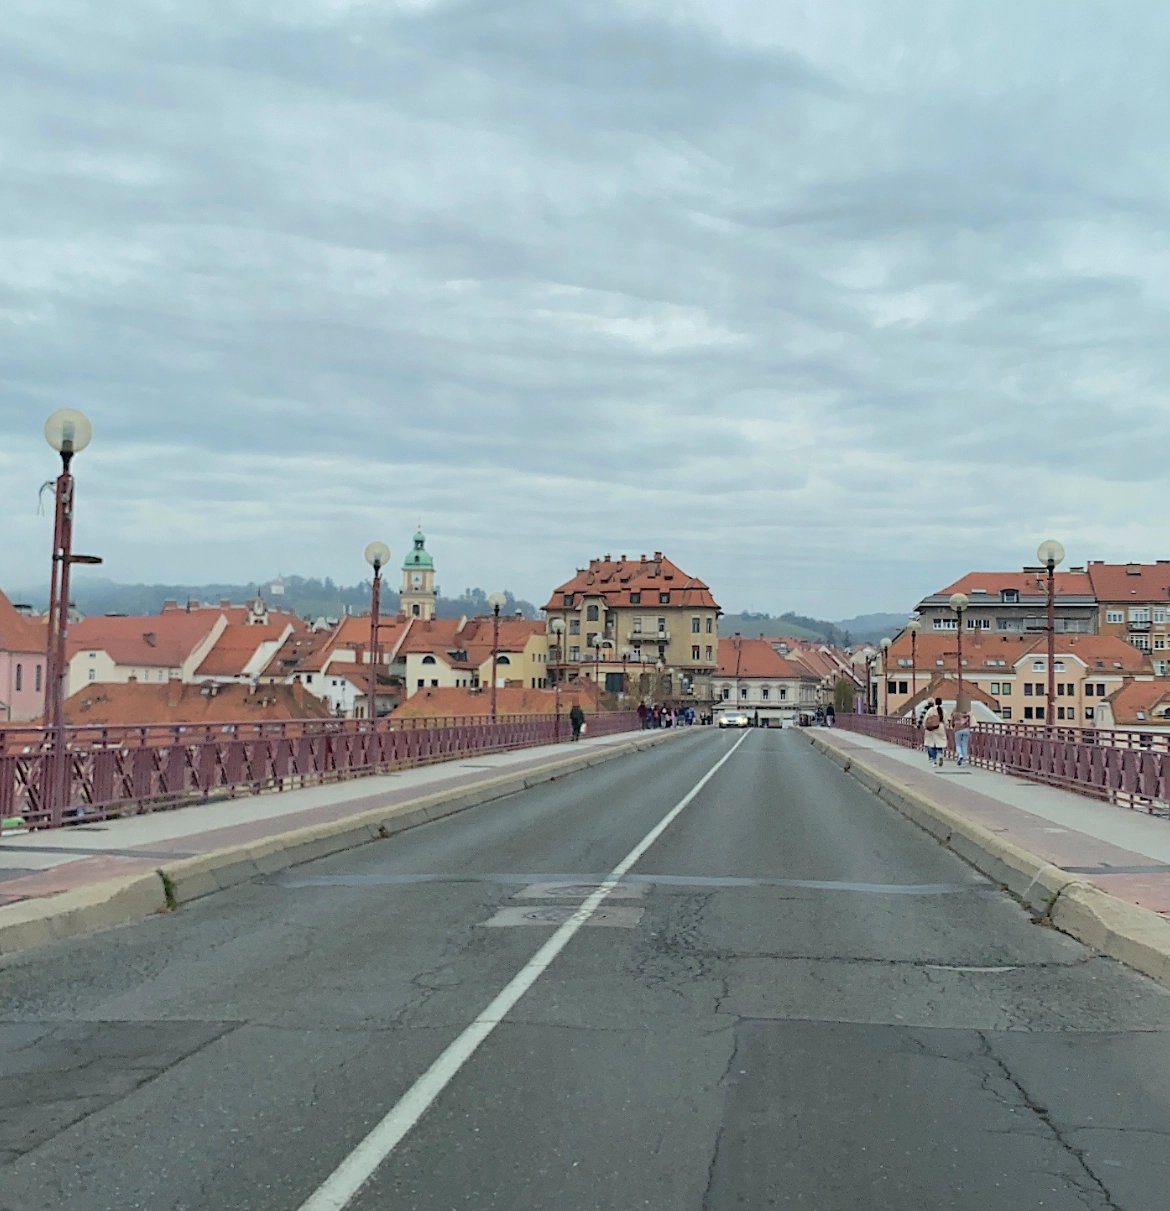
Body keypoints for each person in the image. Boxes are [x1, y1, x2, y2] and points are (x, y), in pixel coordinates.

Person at [922, 697, 947, 768]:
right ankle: (940, 756)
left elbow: (925, 718)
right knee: (940, 743)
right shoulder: (943, 710)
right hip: (940, 727)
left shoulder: (931, 709)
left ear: (935, 702)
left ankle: (934, 761)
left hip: (932, 728)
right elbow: (945, 721)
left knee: (931, 744)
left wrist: (925, 726)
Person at [950, 699, 972, 768]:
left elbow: (952, 721)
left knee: (958, 744)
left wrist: (952, 726)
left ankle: (960, 755)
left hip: (957, 729)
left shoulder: (955, 713)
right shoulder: (966, 711)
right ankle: (964, 762)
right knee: (964, 745)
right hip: (966, 729)